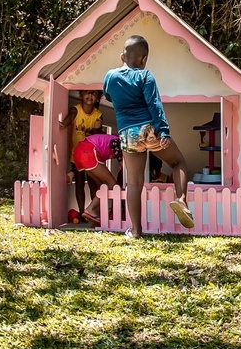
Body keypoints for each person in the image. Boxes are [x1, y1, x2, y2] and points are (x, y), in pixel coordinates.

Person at [103, 35, 194, 237]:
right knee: (178, 161)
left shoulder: (110, 76)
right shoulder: (145, 76)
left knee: (134, 183)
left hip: (128, 133)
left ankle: (135, 231)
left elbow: (108, 95)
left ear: (122, 57)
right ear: (144, 59)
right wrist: (164, 131)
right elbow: (155, 105)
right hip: (148, 128)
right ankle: (181, 199)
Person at [59, 90, 103, 221]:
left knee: (92, 183)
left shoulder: (98, 115)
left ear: (98, 98)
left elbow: (98, 136)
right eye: (87, 93)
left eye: (94, 94)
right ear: (81, 95)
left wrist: (96, 129)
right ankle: (82, 212)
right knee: (79, 182)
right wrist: (62, 124)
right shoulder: (76, 110)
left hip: (91, 156)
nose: (90, 96)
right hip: (76, 155)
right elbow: (70, 117)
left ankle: (93, 212)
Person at [73, 131, 124, 225]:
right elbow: (123, 167)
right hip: (89, 151)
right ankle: (90, 209)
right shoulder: (119, 141)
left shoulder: (107, 139)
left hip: (79, 151)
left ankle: (96, 216)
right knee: (112, 184)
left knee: (102, 187)